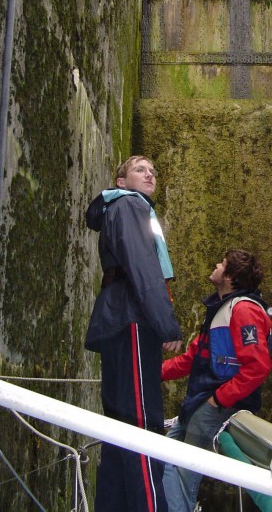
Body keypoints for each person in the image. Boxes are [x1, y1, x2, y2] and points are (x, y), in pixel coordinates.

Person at [85, 155, 182, 512]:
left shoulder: (123, 206)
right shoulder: (130, 205)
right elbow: (144, 270)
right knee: (143, 424)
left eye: (153, 170)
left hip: (118, 318)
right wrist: (166, 324)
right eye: (140, 169)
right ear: (121, 181)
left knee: (120, 426)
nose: (150, 174)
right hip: (133, 318)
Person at [162, 249, 272, 512]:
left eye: (221, 263)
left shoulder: (243, 311)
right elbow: (193, 358)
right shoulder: (222, 310)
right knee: (161, 454)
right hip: (200, 402)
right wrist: (154, 372)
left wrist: (216, 400)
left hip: (213, 405)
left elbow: (258, 367)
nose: (215, 265)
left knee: (184, 473)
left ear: (231, 276)